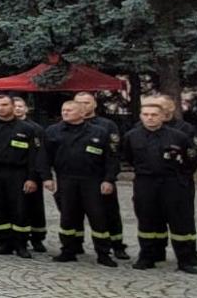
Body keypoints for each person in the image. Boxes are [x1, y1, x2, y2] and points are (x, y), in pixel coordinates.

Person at [39, 99, 119, 267]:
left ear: (82, 113)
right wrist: (47, 177)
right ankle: (68, 250)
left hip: (93, 180)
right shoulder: (53, 131)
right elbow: (44, 157)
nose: (65, 113)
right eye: (63, 110)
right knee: (68, 217)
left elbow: (111, 159)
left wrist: (108, 180)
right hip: (66, 179)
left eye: (70, 110)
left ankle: (103, 253)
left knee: (98, 217)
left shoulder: (99, 132)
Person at [124, 100, 197, 274]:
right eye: (146, 115)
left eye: (154, 115)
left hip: (172, 182)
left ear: (162, 117)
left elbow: (191, 160)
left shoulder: (178, 136)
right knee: (147, 219)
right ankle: (147, 257)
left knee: (178, 221)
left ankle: (185, 260)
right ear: (141, 116)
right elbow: (128, 157)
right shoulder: (132, 136)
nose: (150, 118)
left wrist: (180, 178)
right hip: (145, 182)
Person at [0, 93, 42, 258]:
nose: (0, 108)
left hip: (18, 173)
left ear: (13, 106)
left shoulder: (27, 129)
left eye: (4, 105)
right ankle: (4, 242)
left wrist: (31, 178)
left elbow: (34, 157)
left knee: (20, 210)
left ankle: (21, 244)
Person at [72, 92, 129, 260]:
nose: (83, 106)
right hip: (73, 179)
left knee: (109, 213)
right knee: (73, 214)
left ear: (95, 104)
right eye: (79, 102)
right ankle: (75, 244)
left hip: (100, 178)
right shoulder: (66, 124)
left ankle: (117, 245)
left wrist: (109, 178)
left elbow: (114, 154)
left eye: (86, 102)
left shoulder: (107, 125)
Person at [151, 95, 197, 268]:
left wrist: (182, 176)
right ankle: (156, 251)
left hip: (179, 181)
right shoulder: (144, 128)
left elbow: (192, 157)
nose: (157, 110)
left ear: (171, 108)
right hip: (153, 182)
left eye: (161, 106)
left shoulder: (185, 129)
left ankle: (190, 254)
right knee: (154, 217)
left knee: (184, 218)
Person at [11, 96, 49, 252]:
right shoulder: (8, 127)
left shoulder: (35, 129)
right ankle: (17, 239)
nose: (18, 109)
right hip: (13, 173)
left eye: (21, 106)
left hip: (32, 173)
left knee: (35, 208)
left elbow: (39, 154)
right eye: (15, 106)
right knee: (16, 208)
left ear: (26, 109)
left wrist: (34, 176)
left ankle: (37, 239)